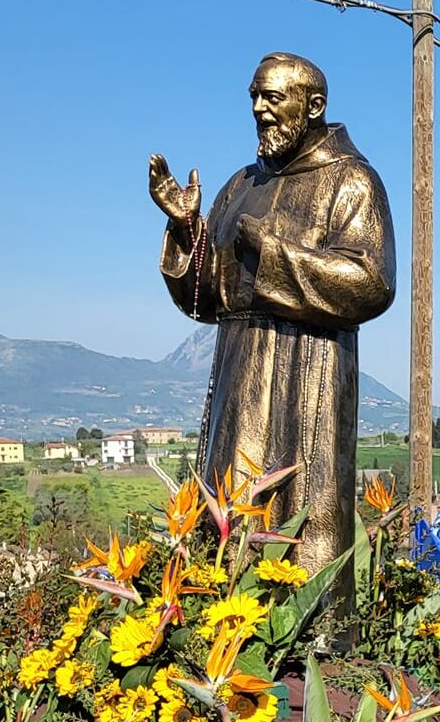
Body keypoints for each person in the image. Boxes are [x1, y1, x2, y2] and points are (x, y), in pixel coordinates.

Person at [148, 52, 395, 588]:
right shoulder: (240, 185)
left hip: (312, 374)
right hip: (240, 373)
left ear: (314, 106)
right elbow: (205, 298)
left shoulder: (351, 182)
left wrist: (275, 252)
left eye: (273, 98)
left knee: (308, 517)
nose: (259, 110)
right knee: (228, 515)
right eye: (254, 97)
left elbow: (371, 283)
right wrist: (190, 230)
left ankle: (317, 645)